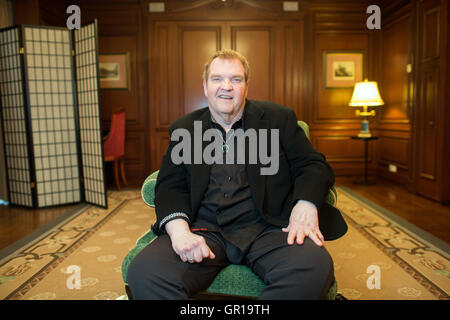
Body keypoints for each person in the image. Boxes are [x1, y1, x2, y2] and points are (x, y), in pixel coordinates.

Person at [127, 49, 347, 299]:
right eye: (217, 78)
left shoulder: (279, 119)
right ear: (205, 86)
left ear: (246, 86)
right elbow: (169, 185)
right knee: (145, 272)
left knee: (311, 266)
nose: (226, 87)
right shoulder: (185, 128)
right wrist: (179, 232)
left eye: (236, 79)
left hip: (269, 229)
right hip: (204, 231)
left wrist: (305, 204)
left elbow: (313, 165)